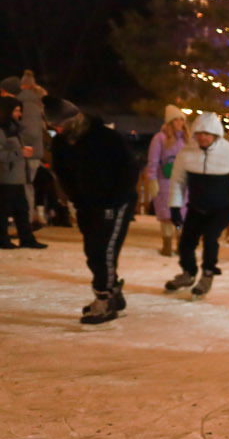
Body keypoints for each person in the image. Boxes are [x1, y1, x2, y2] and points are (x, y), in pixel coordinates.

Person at [42, 97, 139, 323]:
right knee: (92, 252)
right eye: (54, 126)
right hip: (87, 204)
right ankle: (114, 293)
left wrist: (115, 200)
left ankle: (104, 299)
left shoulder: (106, 138)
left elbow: (130, 169)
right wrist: (76, 200)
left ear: (74, 119)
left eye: (61, 125)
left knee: (104, 250)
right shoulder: (61, 143)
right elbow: (63, 174)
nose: (58, 129)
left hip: (115, 203)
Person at [165, 113, 229, 299]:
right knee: (186, 241)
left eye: (207, 134)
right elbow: (178, 181)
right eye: (199, 134)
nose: (203, 138)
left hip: (223, 207)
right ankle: (188, 272)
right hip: (197, 206)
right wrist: (174, 207)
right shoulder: (186, 153)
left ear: (216, 135)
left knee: (211, 237)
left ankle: (207, 273)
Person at [1, 71, 49, 226]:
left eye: (4, 91)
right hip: (23, 153)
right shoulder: (29, 103)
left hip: (27, 154)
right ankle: (23, 222)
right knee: (21, 188)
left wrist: (18, 146)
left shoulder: (26, 105)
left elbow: (31, 132)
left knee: (24, 188)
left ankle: (25, 222)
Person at [1, 95, 46, 249]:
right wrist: (20, 153)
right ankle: (3, 239)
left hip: (18, 176)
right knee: (4, 211)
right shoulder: (3, 130)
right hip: (6, 177)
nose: (19, 114)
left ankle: (27, 238)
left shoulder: (15, 128)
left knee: (22, 209)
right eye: (16, 110)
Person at [147, 105, 190, 256]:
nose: (180, 123)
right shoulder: (159, 139)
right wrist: (152, 179)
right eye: (176, 120)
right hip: (165, 182)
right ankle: (167, 245)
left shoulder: (187, 139)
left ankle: (180, 244)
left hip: (183, 182)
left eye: (181, 120)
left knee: (182, 214)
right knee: (166, 215)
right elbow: (153, 161)